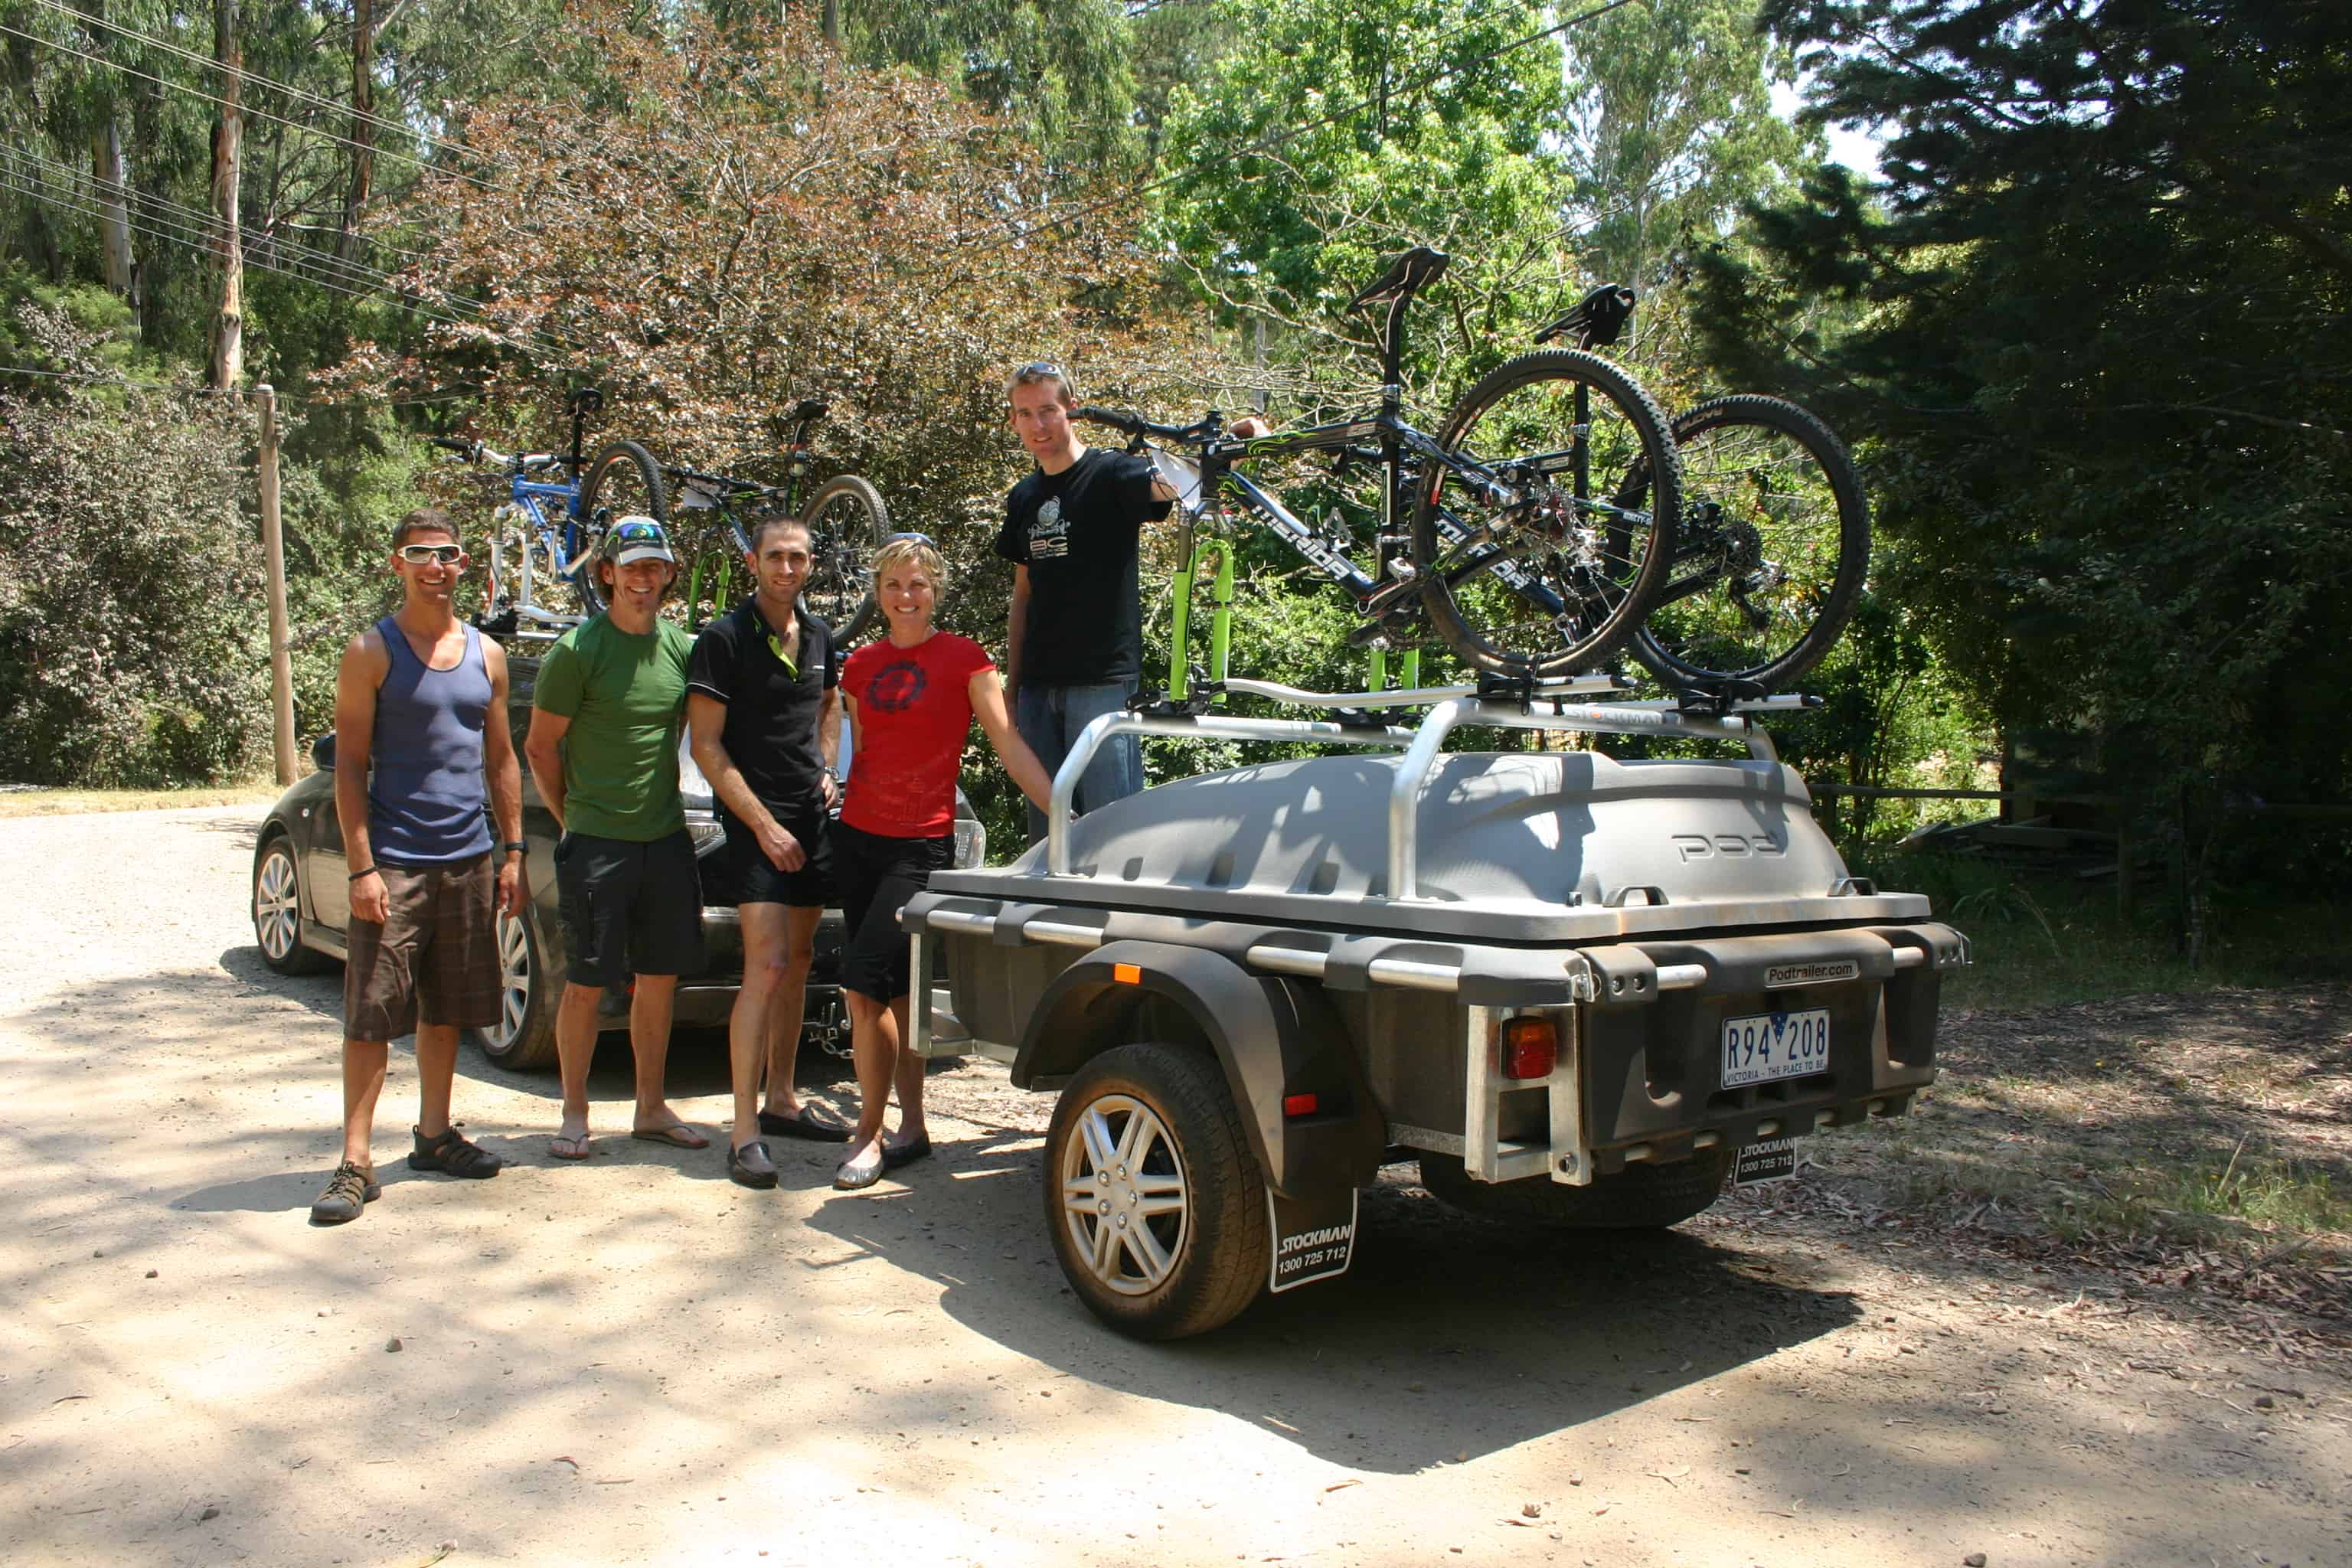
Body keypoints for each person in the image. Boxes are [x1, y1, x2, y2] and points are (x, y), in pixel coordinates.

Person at [312, 507, 524, 1225]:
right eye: (421, 553)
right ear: (397, 564)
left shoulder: (485, 655)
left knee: (448, 1007)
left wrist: (514, 850)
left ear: (466, 564)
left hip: (468, 858)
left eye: (450, 554)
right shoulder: (371, 651)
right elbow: (348, 766)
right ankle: (355, 1161)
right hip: (396, 862)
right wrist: (362, 868)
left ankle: (435, 1135)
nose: (437, 566)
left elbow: (501, 760)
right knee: (372, 1014)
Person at [831, 534, 1054, 1191]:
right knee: (897, 989)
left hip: (920, 844)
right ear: (879, 593)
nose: (907, 596)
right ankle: (914, 1127)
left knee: (863, 982)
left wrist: (1065, 816)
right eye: (896, 584)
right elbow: (862, 753)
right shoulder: (860, 666)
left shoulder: (964, 660)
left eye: (919, 585)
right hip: (858, 838)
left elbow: (1010, 746)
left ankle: (867, 1135)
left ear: (936, 593)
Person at [998, 361, 1264, 842]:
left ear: (1072, 411)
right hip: (1038, 689)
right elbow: (1023, 593)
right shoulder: (1024, 497)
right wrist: (1012, 688)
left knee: (1113, 829)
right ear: (1014, 421)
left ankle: (1116, 917)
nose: (1037, 425)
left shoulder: (1111, 472)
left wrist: (1235, 450)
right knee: (1048, 836)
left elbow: (1182, 483)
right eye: (1025, 414)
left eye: (1048, 411)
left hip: (1103, 683)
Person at [523, 517, 707, 1161]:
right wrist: (572, 819)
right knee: (584, 984)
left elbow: (695, 733)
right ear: (607, 573)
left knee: (659, 980)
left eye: (654, 567)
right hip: (597, 843)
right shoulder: (577, 651)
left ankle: (650, 1108)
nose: (643, 578)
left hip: (665, 839)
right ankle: (574, 1113)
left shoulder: (682, 648)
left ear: (667, 576)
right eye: (631, 566)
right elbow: (540, 747)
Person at [686, 514, 854, 1190]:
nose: (788, 569)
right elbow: (706, 746)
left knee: (804, 959)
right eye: (776, 558)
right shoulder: (722, 640)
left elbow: (830, 701)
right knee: (768, 964)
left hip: (810, 816)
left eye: (800, 559)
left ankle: (782, 1100)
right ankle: (743, 1131)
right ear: (753, 562)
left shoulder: (817, 635)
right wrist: (761, 824)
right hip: (756, 823)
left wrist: (828, 765)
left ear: (812, 565)